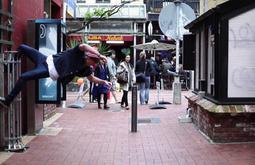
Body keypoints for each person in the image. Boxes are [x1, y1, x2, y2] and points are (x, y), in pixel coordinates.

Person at [0, 43, 111, 109]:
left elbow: (92, 78)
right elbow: (83, 46)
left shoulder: (86, 69)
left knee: (24, 77)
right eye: (93, 60)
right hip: (45, 59)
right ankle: (8, 69)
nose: (93, 63)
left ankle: (7, 101)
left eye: (95, 61)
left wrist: (104, 82)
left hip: (48, 70)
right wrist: (100, 55)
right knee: (22, 47)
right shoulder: (77, 53)